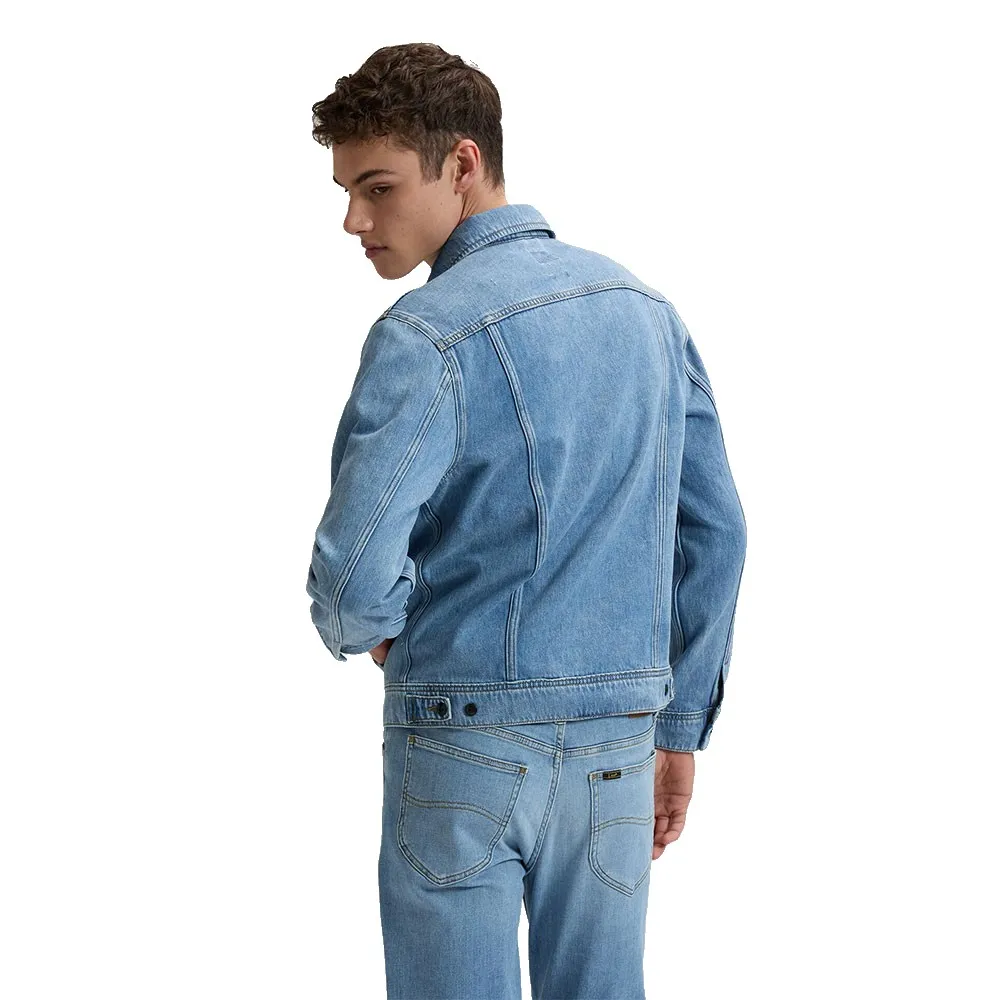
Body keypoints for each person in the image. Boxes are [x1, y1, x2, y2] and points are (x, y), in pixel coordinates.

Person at [306, 42, 747, 1000]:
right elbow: (717, 531)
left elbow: (350, 581)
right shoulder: (646, 312)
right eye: (345, 192)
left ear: (462, 164)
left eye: (378, 188)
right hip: (617, 753)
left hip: (461, 739)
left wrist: (375, 631)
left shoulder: (424, 335)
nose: (354, 220)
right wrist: (677, 725)